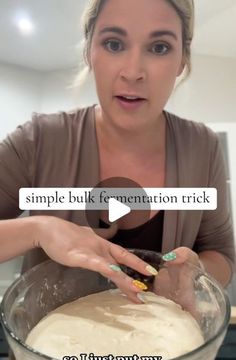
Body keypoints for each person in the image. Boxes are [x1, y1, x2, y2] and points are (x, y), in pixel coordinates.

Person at [0, 0, 235, 305]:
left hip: (161, 351)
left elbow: (223, 255)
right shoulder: (39, 140)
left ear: (181, 61)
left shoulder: (202, 147)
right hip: (47, 351)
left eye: (160, 47)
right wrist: (36, 228)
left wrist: (197, 271)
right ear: (89, 52)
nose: (133, 72)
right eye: (113, 44)